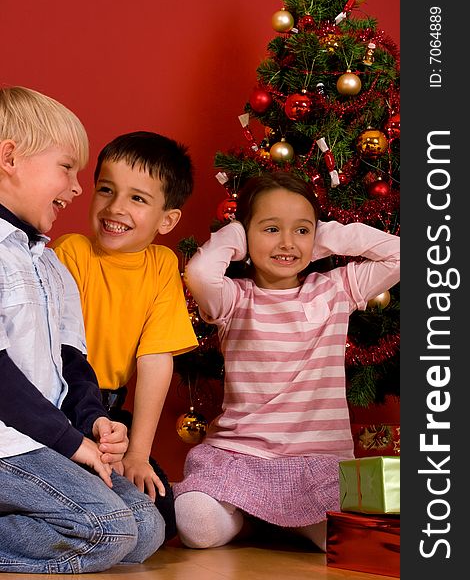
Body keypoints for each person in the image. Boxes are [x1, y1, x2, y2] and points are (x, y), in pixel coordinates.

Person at [173, 170, 400, 551]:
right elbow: (198, 272)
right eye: (271, 229)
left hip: (318, 464)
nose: (287, 243)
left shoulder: (335, 289)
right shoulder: (233, 299)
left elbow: (400, 253)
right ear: (246, 236)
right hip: (240, 457)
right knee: (195, 522)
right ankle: (248, 520)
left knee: (349, 541)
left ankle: (282, 524)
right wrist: (235, 235)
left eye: (301, 230)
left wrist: (327, 235)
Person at [0, 86, 164, 573]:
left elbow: (73, 365)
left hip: (45, 439)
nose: (76, 187)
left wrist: (92, 421)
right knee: (107, 529)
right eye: (66, 167)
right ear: (10, 157)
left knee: (146, 531)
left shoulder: (51, 265)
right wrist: (70, 443)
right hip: (11, 440)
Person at [52, 131, 199, 541]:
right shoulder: (71, 252)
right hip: (63, 401)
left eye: (138, 198)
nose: (115, 207)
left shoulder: (161, 265)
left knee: (164, 516)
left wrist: (137, 454)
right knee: (102, 508)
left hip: (112, 413)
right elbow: (56, 353)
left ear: (167, 219)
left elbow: (154, 359)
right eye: (106, 190)